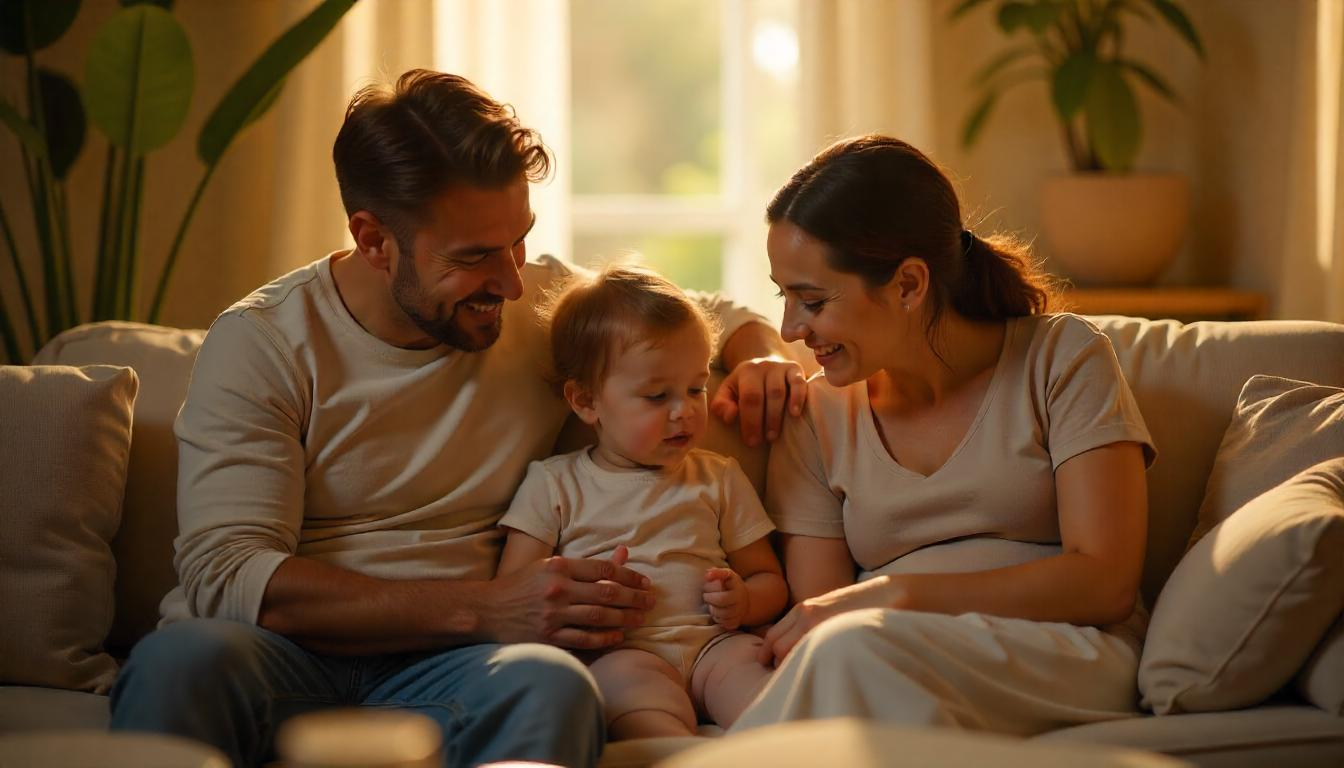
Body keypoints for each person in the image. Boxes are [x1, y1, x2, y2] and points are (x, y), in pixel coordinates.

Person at [107, 70, 805, 768]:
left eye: (519, 241)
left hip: (457, 670)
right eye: (474, 257)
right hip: (278, 660)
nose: (509, 280)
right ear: (374, 239)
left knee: (552, 687)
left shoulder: (530, 304)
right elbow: (231, 573)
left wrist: (763, 354)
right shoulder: (263, 341)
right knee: (178, 664)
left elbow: (703, 314)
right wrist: (490, 607)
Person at [733, 134, 1156, 736]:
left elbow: (1106, 583)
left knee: (849, 653)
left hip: (1067, 651)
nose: (790, 329)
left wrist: (894, 595)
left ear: (908, 284)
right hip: (883, 658)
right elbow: (816, 620)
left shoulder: (1062, 358)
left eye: (812, 300)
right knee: (840, 660)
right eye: (784, 297)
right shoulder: (816, 415)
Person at [497, 265, 787, 740]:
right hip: (620, 654)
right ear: (586, 401)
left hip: (716, 646)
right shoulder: (553, 484)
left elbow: (769, 580)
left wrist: (745, 600)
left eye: (696, 388)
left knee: (769, 706)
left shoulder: (718, 476)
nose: (685, 410)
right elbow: (515, 592)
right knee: (642, 715)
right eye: (657, 396)